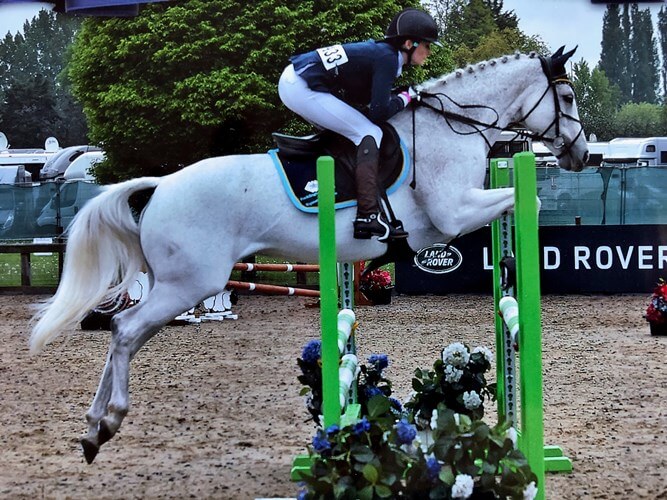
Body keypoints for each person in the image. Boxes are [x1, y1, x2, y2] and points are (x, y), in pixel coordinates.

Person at [278, 7, 440, 242]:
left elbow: (369, 102)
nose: (429, 52)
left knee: (355, 130)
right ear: (408, 43)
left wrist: (400, 96)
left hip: (298, 81)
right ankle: (367, 215)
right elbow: (378, 113)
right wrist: (407, 97)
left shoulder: (384, 55)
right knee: (368, 131)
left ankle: (338, 192)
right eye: (427, 45)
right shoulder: (386, 58)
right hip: (302, 85)